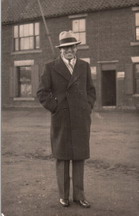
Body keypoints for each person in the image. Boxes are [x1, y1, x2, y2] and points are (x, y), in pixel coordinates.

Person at [37, 30, 96, 208]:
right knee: (62, 158)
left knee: (79, 157)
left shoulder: (84, 66)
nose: (69, 50)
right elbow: (42, 93)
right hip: (61, 119)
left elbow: (91, 90)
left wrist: (87, 107)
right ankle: (64, 196)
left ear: (76, 48)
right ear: (60, 50)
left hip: (80, 119)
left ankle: (79, 195)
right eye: (65, 47)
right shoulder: (50, 67)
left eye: (71, 46)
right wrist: (55, 108)